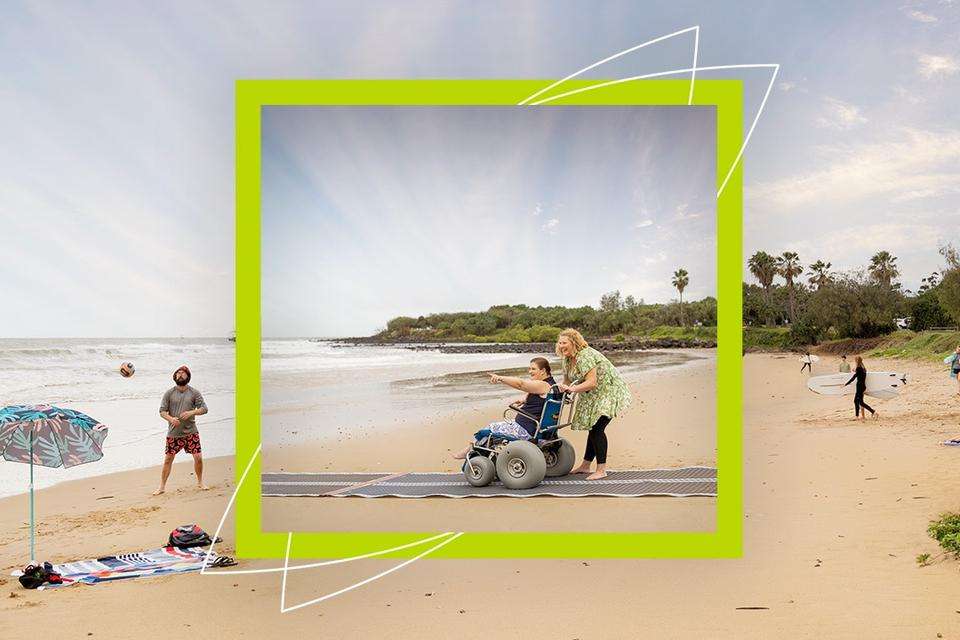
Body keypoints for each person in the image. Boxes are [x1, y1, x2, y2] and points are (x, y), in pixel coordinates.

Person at [556, 328, 632, 480]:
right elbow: (566, 382)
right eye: (559, 343)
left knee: (597, 429)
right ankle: (585, 466)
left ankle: (601, 470)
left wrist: (573, 389)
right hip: (592, 395)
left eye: (564, 343)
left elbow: (592, 382)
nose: (561, 346)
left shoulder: (585, 356)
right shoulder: (567, 359)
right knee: (593, 428)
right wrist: (562, 394)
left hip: (608, 391)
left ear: (574, 342)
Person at [453, 358, 558, 460]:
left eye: (533, 369)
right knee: (499, 426)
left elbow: (521, 384)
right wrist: (524, 399)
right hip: (537, 428)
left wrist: (500, 378)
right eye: (529, 369)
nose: (530, 371)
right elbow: (541, 399)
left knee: (488, 429)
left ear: (543, 370)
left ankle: (470, 451)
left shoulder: (542, 385)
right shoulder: (552, 384)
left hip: (526, 429)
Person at [154, 365, 209, 494]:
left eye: (183, 373)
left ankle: (200, 482)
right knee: (168, 459)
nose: (180, 375)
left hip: (191, 432)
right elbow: (162, 411)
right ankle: (161, 487)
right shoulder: (169, 393)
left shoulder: (194, 393)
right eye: (178, 373)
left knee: (198, 457)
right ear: (175, 376)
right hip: (174, 433)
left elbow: (204, 408)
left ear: (188, 377)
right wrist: (171, 419)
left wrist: (191, 413)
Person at [844, 356, 877, 421]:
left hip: (860, 387)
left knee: (860, 402)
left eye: (855, 360)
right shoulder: (863, 368)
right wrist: (855, 370)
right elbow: (859, 374)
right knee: (856, 401)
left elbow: (854, 377)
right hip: (862, 387)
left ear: (857, 361)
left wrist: (846, 384)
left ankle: (873, 412)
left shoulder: (859, 368)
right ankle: (857, 416)